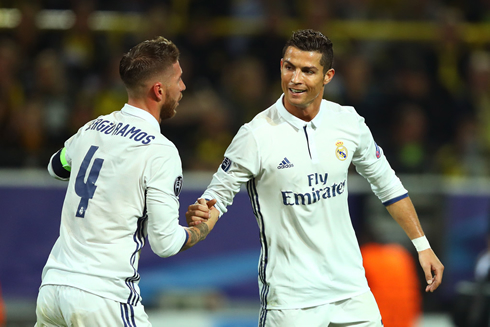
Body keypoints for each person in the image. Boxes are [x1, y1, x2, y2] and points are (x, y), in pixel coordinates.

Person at [186, 29, 444, 327]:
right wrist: (201, 224)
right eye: (289, 67)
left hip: (351, 291)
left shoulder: (348, 123)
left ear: (328, 76)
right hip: (291, 300)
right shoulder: (255, 135)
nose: (295, 79)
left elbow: (389, 187)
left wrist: (423, 246)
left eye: (308, 71)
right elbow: (218, 198)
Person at [35, 36, 218, 327]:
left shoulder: (92, 128)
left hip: (53, 289)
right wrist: (203, 228)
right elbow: (165, 243)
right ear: (159, 90)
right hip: (103, 297)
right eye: (179, 79)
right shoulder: (160, 151)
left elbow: (56, 166)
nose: (183, 87)